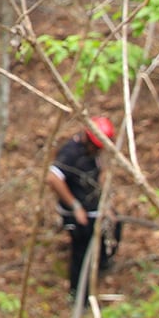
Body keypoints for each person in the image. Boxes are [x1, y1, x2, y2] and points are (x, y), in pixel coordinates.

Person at [48, 116, 122, 301]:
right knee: (81, 251)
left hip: (95, 207)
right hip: (76, 212)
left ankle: (103, 263)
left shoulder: (95, 154)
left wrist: (107, 205)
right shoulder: (70, 152)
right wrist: (75, 206)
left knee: (115, 227)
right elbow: (53, 178)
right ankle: (78, 296)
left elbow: (101, 176)